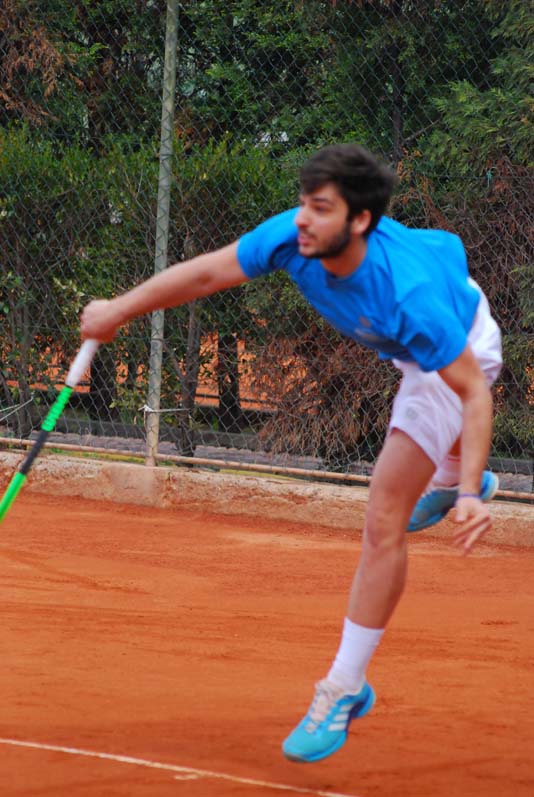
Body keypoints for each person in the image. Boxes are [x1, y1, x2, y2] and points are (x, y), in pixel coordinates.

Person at [80, 143, 502, 763]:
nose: (304, 217)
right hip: (430, 315)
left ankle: (344, 686)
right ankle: (449, 476)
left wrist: (469, 496)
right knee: (414, 480)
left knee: (385, 514)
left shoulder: (407, 296)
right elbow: (206, 275)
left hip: (459, 344)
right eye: (304, 203)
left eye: (321, 208)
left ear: (360, 220)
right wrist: (117, 310)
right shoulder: (293, 238)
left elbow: (473, 392)